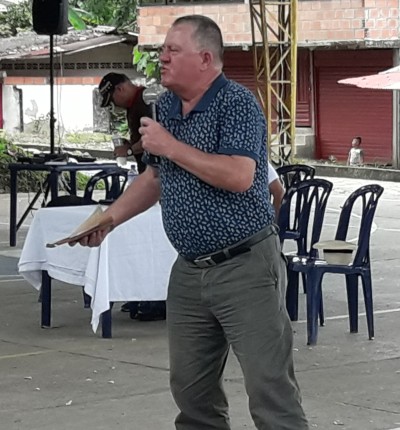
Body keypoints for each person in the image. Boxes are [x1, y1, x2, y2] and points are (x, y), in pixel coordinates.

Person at [79, 15, 309, 429]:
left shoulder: (237, 104)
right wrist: (109, 219)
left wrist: (170, 145)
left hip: (245, 266)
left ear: (205, 59)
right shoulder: (166, 107)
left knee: (269, 389)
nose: (162, 58)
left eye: (173, 50)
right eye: (163, 50)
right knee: (191, 392)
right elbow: (154, 178)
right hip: (189, 270)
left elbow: (240, 175)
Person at [98, 72, 166, 321]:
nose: (115, 105)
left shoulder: (146, 102)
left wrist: (127, 150)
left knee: (153, 239)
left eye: (113, 99)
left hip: (156, 176)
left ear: (120, 89)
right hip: (147, 175)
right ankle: (140, 293)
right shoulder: (134, 106)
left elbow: (152, 140)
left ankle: (156, 298)